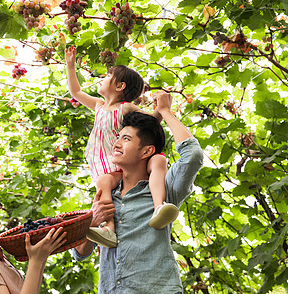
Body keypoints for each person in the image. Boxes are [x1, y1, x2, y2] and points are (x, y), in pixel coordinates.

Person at [72, 92, 204, 293]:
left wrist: (165, 112)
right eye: (118, 137)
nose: (116, 144)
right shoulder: (106, 191)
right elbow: (80, 254)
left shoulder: (165, 190)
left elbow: (192, 155)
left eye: (125, 139)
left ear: (146, 151)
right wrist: (90, 223)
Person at [65, 46, 179, 248]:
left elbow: (150, 124)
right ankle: (109, 229)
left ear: (120, 86)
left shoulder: (124, 108)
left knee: (108, 181)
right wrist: (70, 66)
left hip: (120, 164)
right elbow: (76, 91)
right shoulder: (99, 106)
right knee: (104, 183)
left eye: (108, 75)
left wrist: (161, 110)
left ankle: (158, 207)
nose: (103, 76)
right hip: (104, 164)